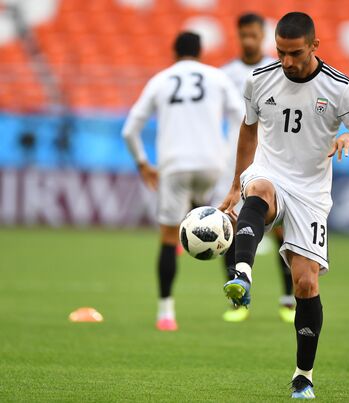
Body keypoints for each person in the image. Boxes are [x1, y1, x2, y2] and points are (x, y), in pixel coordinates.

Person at [219, 12, 349, 399]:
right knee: (258, 189)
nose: (286, 61)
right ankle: (242, 273)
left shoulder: (341, 87)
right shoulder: (259, 80)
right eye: (280, 52)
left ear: (314, 46)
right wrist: (232, 186)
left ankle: (303, 375)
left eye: (294, 53)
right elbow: (248, 128)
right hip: (271, 171)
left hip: (311, 192)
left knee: (305, 282)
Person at [122, 32, 243, 332]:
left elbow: (129, 130)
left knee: (167, 238)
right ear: (201, 51)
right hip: (212, 165)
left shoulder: (161, 80)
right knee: (223, 226)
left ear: (174, 52)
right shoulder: (216, 77)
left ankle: (166, 313)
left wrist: (142, 164)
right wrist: (228, 157)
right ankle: (237, 301)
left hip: (174, 166)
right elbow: (242, 117)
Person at [215, 12, 295, 323]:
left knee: (281, 230)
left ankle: (288, 299)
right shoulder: (225, 75)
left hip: (273, 159)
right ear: (238, 35)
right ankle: (239, 301)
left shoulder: (276, 72)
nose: (248, 40)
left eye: (253, 34)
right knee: (231, 225)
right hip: (236, 159)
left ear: (262, 36)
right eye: (243, 34)